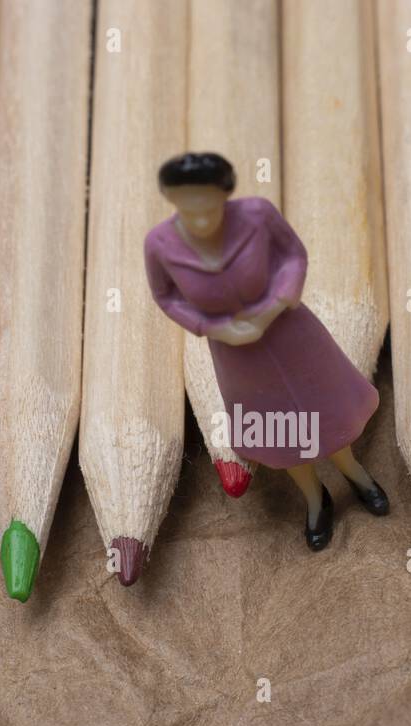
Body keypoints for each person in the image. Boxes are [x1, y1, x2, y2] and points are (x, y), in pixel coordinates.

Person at [144, 152, 388, 550]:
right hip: (237, 355)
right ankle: (314, 498)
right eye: (190, 210)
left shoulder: (257, 215)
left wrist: (277, 302)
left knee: (325, 407)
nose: (203, 220)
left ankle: (355, 473)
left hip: (291, 332)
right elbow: (166, 296)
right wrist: (213, 327)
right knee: (279, 430)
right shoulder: (159, 244)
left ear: (226, 194)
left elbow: (293, 256)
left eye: (210, 208)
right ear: (171, 200)